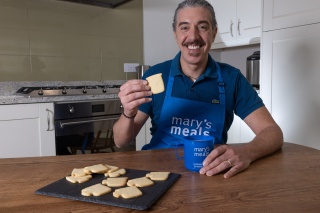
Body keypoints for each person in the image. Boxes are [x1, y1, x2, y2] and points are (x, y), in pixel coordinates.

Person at [113, 0, 283, 178]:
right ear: (176, 34)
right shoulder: (155, 76)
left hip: (210, 173)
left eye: (202, 27)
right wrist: (128, 113)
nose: (193, 36)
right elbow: (120, 141)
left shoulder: (232, 78)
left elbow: (273, 133)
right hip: (157, 174)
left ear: (214, 33)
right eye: (184, 27)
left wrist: (247, 152)